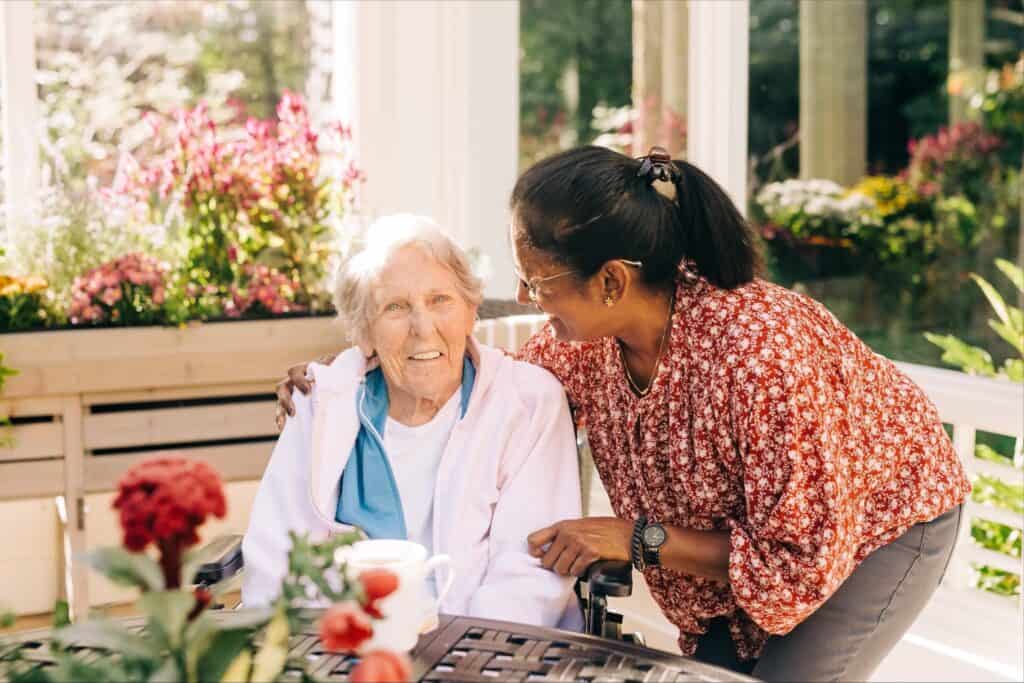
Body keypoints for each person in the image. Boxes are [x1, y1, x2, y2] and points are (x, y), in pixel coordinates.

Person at [276, 147, 969, 681]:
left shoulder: (760, 353)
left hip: (879, 526)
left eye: (539, 282)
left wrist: (633, 537)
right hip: (755, 539)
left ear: (611, 281)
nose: (527, 297)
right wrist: (344, 377)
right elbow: (487, 373)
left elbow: (795, 557)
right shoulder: (593, 341)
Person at [244, 214, 582, 629]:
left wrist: (460, 665)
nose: (422, 328)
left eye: (441, 300)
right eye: (396, 307)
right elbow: (275, 559)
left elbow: (528, 577)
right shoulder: (320, 403)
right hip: (346, 654)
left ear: (471, 311)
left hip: (487, 659)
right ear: (363, 332)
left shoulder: (527, 401)